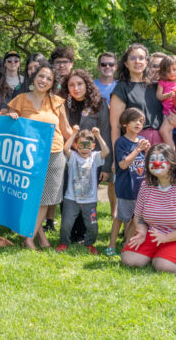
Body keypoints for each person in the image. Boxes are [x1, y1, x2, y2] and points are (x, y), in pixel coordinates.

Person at [7, 63, 73, 249]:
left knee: (47, 198)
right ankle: (39, 237)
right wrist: (9, 114)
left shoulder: (57, 102)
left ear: (52, 83)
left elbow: (65, 128)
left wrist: (82, 140)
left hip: (54, 154)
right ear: (34, 78)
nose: (44, 81)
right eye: (41, 76)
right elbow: (5, 122)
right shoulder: (20, 100)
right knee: (30, 197)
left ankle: (29, 238)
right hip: (28, 156)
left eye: (49, 79)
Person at [121, 144, 176, 275]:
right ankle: (164, 253)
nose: (156, 163)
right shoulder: (146, 185)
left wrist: (167, 238)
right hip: (157, 234)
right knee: (129, 259)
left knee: (163, 265)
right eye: (152, 160)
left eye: (161, 159)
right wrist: (141, 231)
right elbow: (139, 215)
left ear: (172, 162)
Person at [61, 69, 113, 239]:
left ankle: (84, 232)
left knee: (86, 192)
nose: (76, 88)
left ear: (87, 85)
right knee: (68, 193)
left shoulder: (100, 104)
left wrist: (105, 166)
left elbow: (105, 132)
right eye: (71, 85)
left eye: (79, 84)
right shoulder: (63, 105)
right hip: (69, 156)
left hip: (91, 159)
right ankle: (70, 232)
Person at [57, 126, 109, 255]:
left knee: (92, 226)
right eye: (81, 145)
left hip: (90, 201)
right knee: (66, 224)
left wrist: (98, 135)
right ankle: (64, 242)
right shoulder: (73, 156)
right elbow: (65, 149)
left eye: (88, 145)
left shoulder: (95, 157)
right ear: (76, 145)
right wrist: (74, 134)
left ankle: (89, 244)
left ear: (92, 145)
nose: (84, 149)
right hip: (71, 199)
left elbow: (106, 151)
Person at [109, 44, 166, 149]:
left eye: (141, 58)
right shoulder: (122, 88)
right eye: (132, 58)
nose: (137, 61)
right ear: (126, 63)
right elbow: (116, 126)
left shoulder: (156, 87)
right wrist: (116, 158)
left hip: (159, 143)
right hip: (134, 144)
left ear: (146, 62)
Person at [110, 108, 150, 256]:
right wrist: (138, 150)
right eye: (134, 120)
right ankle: (112, 244)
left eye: (141, 121)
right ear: (125, 124)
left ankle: (127, 244)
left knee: (135, 219)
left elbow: (146, 165)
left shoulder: (142, 142)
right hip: (126, 188)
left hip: (140, 189)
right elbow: (123, 164)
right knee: (121, 218)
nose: (138, 124)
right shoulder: (121, 142)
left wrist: (147, 152)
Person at [155, 55, 176, 146]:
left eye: (174, 69)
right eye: (168, 71)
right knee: (168, 134)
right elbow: (159, 96)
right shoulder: (162, 82)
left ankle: (172, 155)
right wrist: (168, 95)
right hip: (166, 112)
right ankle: (171, 155)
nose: (172, 73)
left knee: (163, 131)